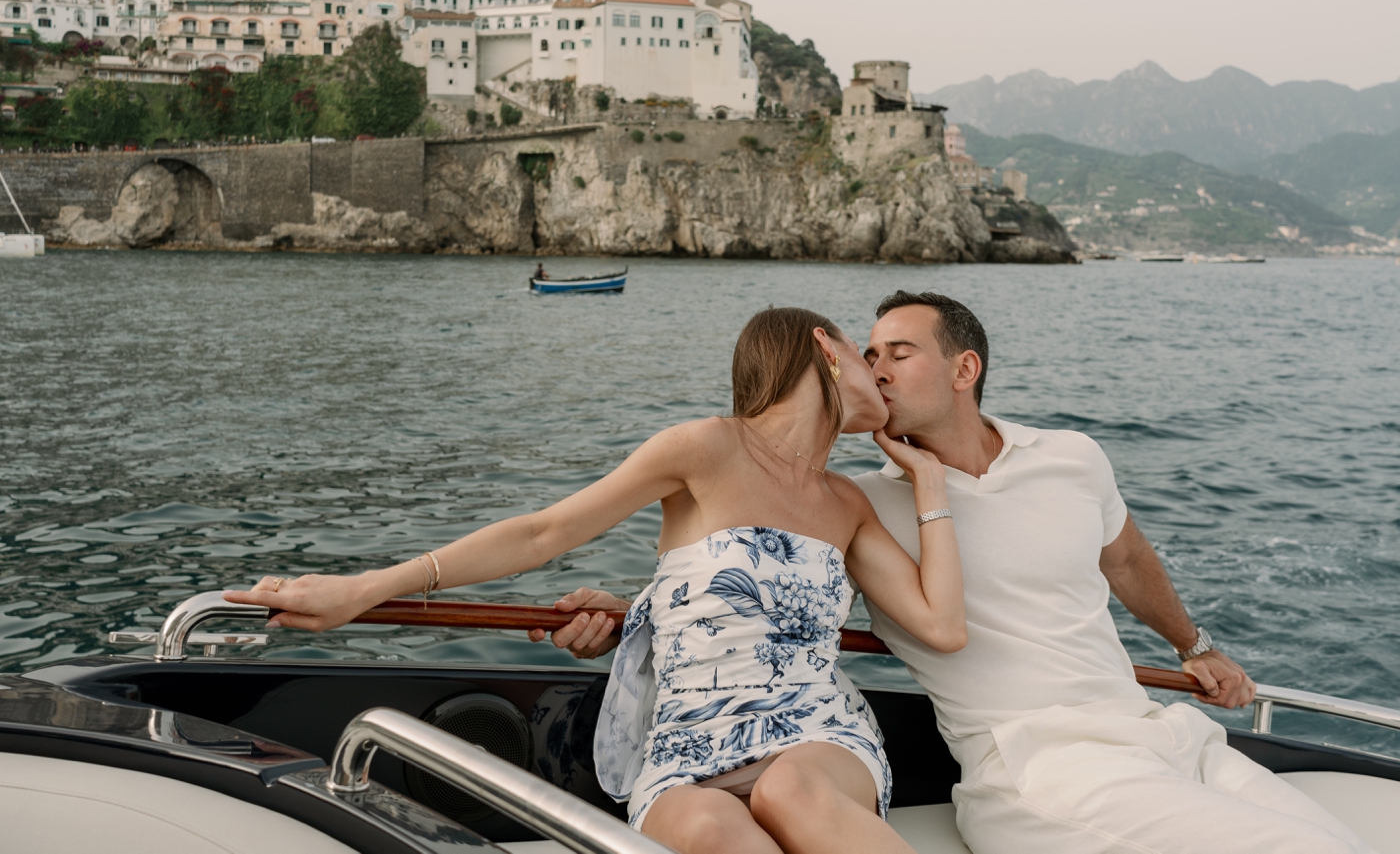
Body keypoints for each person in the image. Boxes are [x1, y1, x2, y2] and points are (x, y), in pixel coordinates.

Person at [542, 292, 1369, 854]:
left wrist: (1196, 641)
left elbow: (1125, 558)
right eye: (868, 354)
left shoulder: (1072, 455)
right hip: (1037, 762)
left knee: (1337, 842)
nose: (875, 370)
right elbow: (752, 574)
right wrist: (638, 611)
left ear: (964, 369)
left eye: (899, 352)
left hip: (1159, 729)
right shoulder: (860, 501)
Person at [225, 307, 968, 854]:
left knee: (790, 791)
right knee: (716, 831)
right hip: (687, 744)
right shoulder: (705, 447)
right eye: (860, 349)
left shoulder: (849, 502)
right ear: (821, 347)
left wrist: (929, 481)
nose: (878, 371)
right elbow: (544, 531)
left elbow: (941, 626)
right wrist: (364, 588)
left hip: (815, 731)